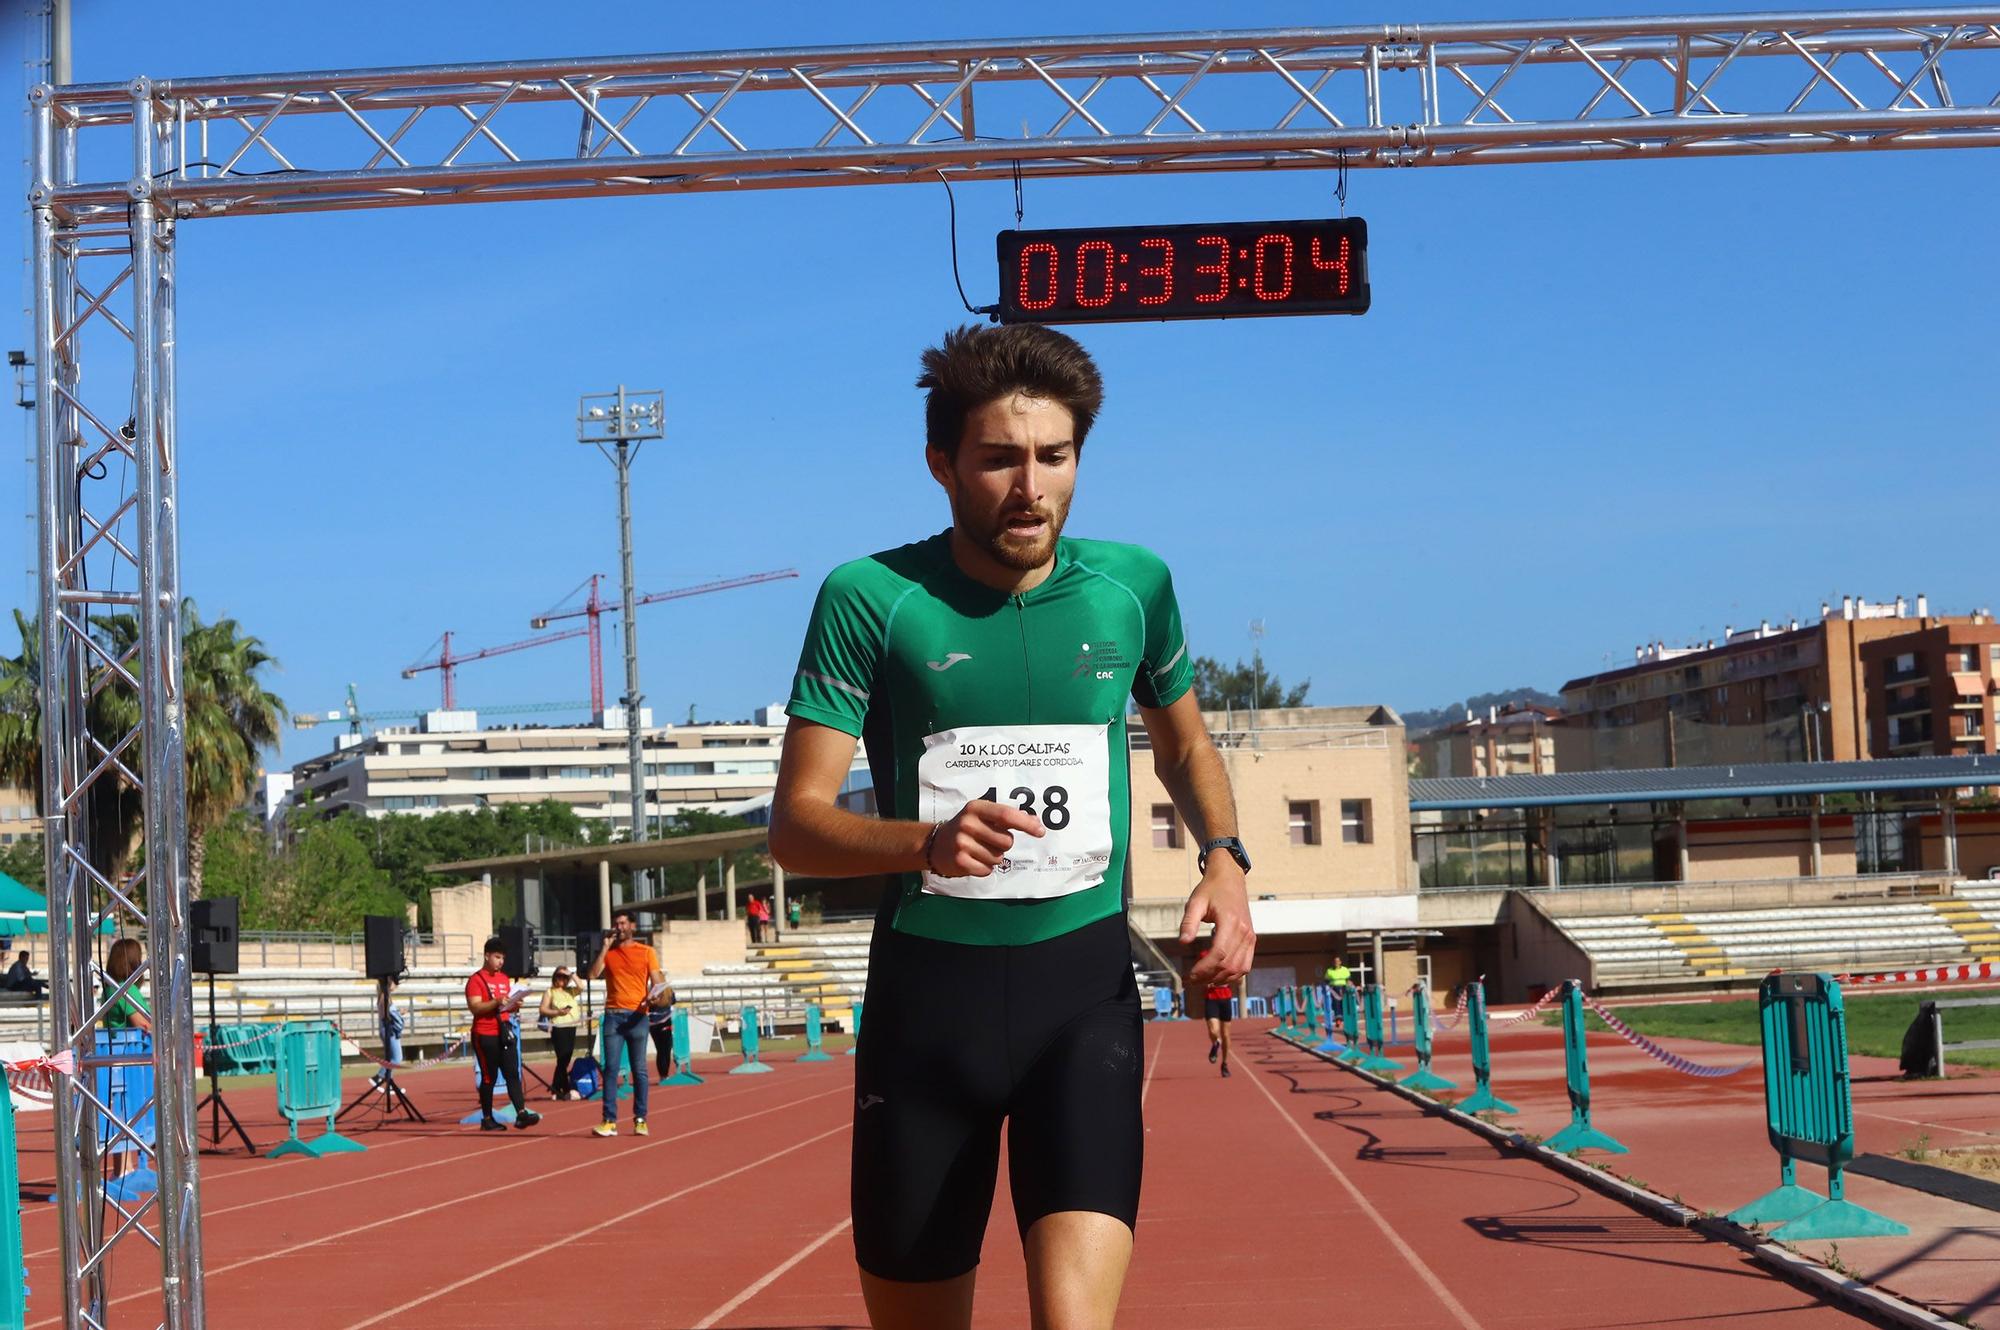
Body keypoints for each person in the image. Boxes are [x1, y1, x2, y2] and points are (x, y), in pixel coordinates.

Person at [770, 323, 1256, 1330]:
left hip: (1076, 999)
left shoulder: (1133, 587)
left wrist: (1224, 861)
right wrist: (922, 841)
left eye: (1053, 456)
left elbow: (1184, 747)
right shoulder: (870, 599)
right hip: (925, 1015)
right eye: (996, 459)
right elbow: (797, 826)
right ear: (940, 464)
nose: (1028, 486)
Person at [588, 908, 662, 1137]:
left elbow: (657, 980)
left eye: (622, 924)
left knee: (639, 1070)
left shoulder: (646, 951)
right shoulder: (609, 952)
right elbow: (592, 974)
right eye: (616, 924)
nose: (619, 928)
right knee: (610, 1069)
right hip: (613, 1016)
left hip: (637, 1016)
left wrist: (655, 995)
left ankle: (640, 1119)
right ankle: (609, 1120)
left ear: (633, 926)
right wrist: (604, 948)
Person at [464, 937, 541, 1132]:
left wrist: (515, 1004)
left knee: (512, 1073)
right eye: (497, 957)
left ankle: (521, 1113)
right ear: (487, 956)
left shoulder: (504, 978)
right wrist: (497, 1001)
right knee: (488, 1077)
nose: (501, 962)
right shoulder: (476, 980)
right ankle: (487, 1118)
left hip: (504, 1031)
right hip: (484, 1034)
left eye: (503, 958)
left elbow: (505, 1007)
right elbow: (475, 1007)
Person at [541, 966, 583, 1099]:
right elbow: (543, 1009)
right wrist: (557, 1012)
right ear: (555, 977)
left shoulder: (571, 991)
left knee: (566, 1058)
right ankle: (564, 1089)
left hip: (571, 1026)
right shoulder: (550, 992)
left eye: (565, 978)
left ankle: (556, 1087)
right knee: (563, 1058)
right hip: (559, 1027)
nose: (562, 980)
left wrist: (571, 973)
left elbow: (581, 986)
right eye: (559, 977)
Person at [1198, 951, 1234, 1079]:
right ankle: (1216, 1043)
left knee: (1226, 1034)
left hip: (1226, 997)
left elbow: (1238, 978)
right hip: (1211, 997)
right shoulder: (1205, 955)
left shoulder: (1231, 955)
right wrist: (1204, 982)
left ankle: (1224, 1064)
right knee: (1213, 1030)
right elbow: (1200, 974)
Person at [369, 974, 405, 1087]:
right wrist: (398, 1015)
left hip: (386, 1029)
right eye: (395, 982)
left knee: (391, 1058)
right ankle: (378, 1077)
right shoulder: (384, 997)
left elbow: (388, 1014)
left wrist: (398, 1013)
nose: (397, 985)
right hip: (388, 1030)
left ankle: (389, 1083)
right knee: (397, 1058)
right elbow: (388, 1015)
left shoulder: (384, 997)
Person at [647, 979, 678, 1081]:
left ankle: (663, 1075)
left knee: (661, 1050)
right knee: (665, 1049)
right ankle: (664, 1075)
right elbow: (673, 1001)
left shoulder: (650, 991)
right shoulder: (668, 990)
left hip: (654, 1024)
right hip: (663, 1022)